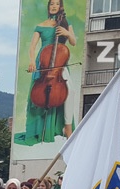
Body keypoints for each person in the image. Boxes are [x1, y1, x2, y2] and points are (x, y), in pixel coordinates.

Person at [17, 0, 77, 145]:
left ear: (60, 6)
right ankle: (40, 130)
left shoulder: (65, 23)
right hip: (43, 62)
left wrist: (67, 33)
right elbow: (32, 46)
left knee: (71, 91)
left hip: (60, 61)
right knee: (41, 96)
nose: (54, 6)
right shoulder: (41, 26)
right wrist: (32, 61)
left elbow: (73, 42)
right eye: (51, 4)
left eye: (57, 4)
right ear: (48, 7)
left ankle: (67, 127)